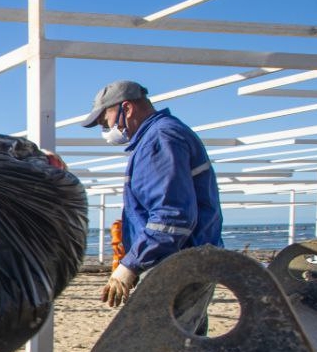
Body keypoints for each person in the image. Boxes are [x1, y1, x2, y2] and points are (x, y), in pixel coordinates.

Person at [84, 80, 223, 329]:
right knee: (185, 348)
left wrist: (132, 264)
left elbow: (171, 217)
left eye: (105, 121)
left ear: (126, 108)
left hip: (177, 268)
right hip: (186, 263)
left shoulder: (159, 139)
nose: (105, 130)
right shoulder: (163, 135)